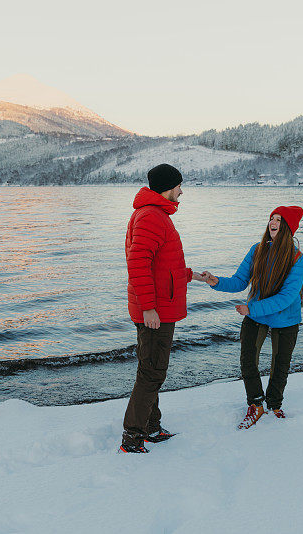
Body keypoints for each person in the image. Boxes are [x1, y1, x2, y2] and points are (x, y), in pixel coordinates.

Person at [120, 163, 207, 453]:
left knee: (150, 368)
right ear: (168, 187)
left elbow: (162, 267)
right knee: (152, 373)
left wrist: (189, 274)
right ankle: (132, 437)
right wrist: (149, 308)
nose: (182, 191)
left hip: (157, 307)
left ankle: (150, 427)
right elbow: (138, 265)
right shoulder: (151, 217)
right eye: (179, 186)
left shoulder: (154, 214)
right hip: (155, 311)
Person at [202, 206, 303, 429]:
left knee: (280, 364)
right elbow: (240, 280)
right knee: (248, 358)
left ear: (287, 227)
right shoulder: (257, 250)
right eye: (271, 218)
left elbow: (287, 297)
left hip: (285, 317)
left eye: (278, 219)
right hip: (256, 314)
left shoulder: (297, 258)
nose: (272, 222)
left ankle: (275, 404)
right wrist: (216, 281)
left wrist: (252, 309)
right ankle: (256, 404)